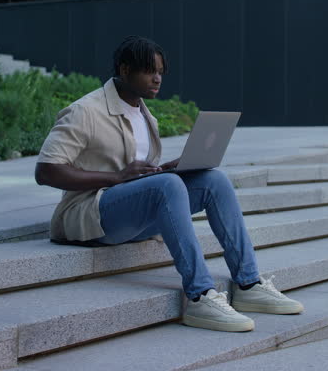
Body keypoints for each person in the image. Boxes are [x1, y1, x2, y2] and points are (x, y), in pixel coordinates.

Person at [34, 35, 303, 332]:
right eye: (150, 71)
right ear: (125, 70)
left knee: (213, 180)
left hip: (128, 214)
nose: (158, 79)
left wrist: (165, 169)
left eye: (161, 72)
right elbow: (46, 171)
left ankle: (249, 284)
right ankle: (200, 296)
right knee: (167, 186)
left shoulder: (145, 116)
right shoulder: (86, 111)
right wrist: (116, 177)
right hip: (88, 216)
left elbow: (137, 178)